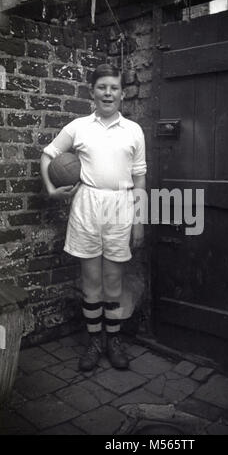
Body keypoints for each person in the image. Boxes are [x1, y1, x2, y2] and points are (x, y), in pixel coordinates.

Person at [40, 64, 147, 372]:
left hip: (120, 207)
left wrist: (139, 220)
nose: (108, 93)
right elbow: (48, 154)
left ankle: (113, 340)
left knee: (113, 282)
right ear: (92, 92)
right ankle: (94, 341)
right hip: (87, 205)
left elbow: (139, 180)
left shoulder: (133, 131)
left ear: (122, 94)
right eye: (102, 87)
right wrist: (51, 189)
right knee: (92, 282)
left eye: (114, 87)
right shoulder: (79, 127)